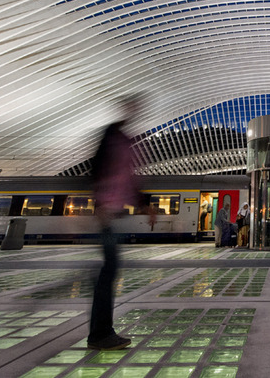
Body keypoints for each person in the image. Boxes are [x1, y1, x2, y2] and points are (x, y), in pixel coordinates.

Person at [88, 97, 156, 351]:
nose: (135, 111)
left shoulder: (126, 140)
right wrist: (99, 201)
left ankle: (100, 332)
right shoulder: (111, 136)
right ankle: (100, 334)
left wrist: (144, 205)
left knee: (109, 270)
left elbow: (128, 179)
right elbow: (99, 168)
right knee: (109, 270)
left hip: (114, 213)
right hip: (107, 212)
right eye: (132, 106)